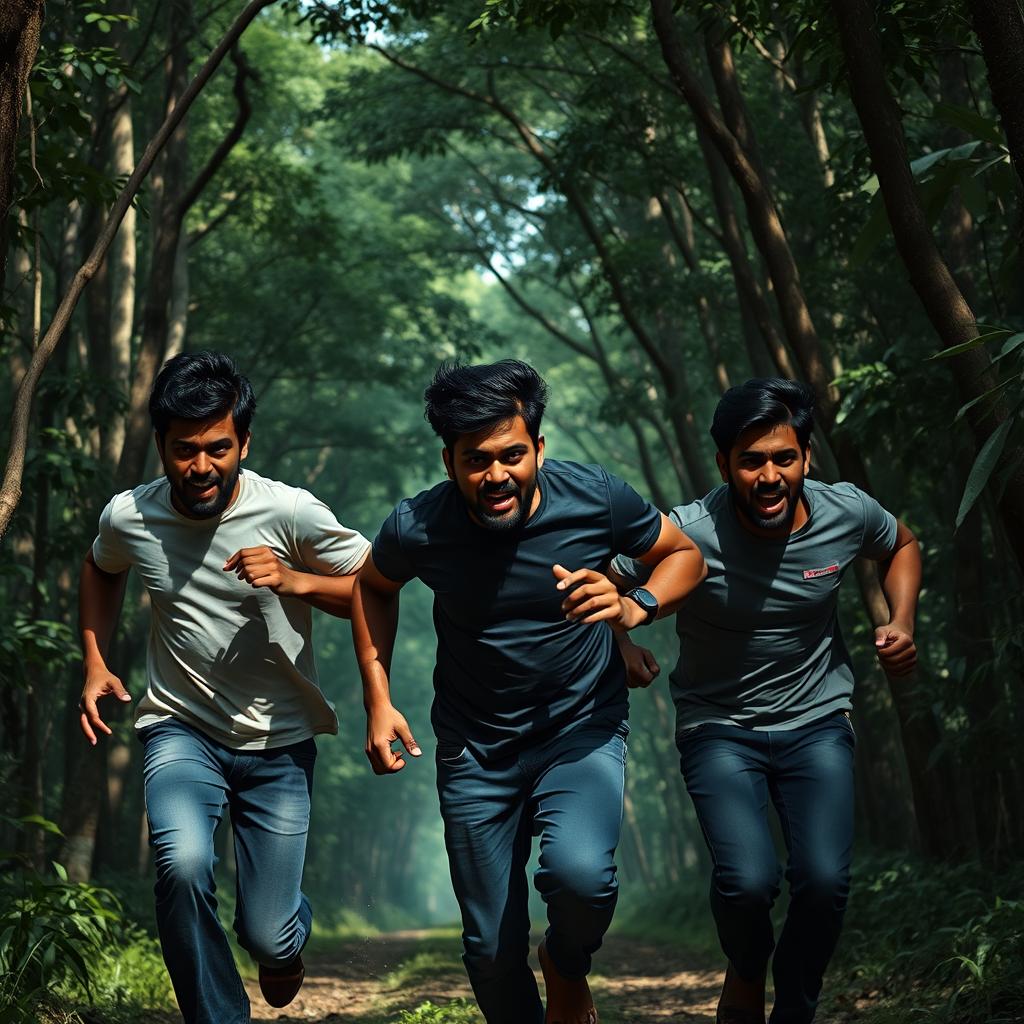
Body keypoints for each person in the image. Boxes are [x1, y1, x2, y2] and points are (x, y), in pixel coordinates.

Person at [351, 360, 706, 1024]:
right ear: (449, 460)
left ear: (539, 447)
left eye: (513, 455)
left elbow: (685, 554)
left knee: (582, 879)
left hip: (579, 729)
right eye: (475, 460)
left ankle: (567, 966)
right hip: (473, 748)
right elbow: (370, 586)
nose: (496, 476)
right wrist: (378, 699)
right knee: (488, 948)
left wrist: (638, 608)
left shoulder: (594, 498)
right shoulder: (418, 526)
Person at [613, 377, 921, 1024]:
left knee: (825, 882)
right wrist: (623, 643)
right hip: (718, 728)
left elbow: (902, 543)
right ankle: (747, 971)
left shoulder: (845, 512)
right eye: (751, 461)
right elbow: (605, 577)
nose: (770, 475)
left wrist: (902, 621)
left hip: (819, 722)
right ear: (724, 463)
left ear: (807, 457)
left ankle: (798, 1004)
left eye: (785, 458)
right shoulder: (687, 531)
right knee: (748, 881)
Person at [78, 351, 370, 1024]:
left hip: (282, 740)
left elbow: (372, 586)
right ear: (161, 446)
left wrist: (295, 579)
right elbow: (100, 569)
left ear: (243, 442)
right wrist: (95, 661)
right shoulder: (131, 517)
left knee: (269, 936)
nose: (200, 467)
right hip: (181, 730)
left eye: (217, 448)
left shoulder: (291, 511)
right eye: (184, 451)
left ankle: (284, 935)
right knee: (181, 864)